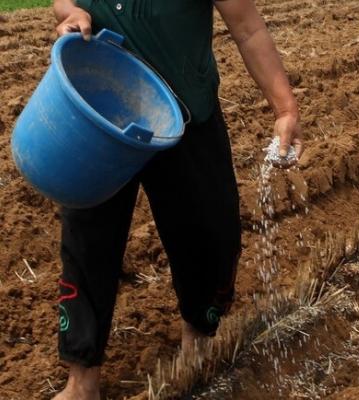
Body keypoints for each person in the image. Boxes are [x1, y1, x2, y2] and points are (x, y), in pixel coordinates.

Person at [51, 1, 303, 399]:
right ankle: (82, 380)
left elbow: (248, 29)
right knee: (88, 240)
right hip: (102, 110)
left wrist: (285, 108)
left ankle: (198, 336)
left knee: (211, 232)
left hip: (186, 110)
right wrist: (70, 13)